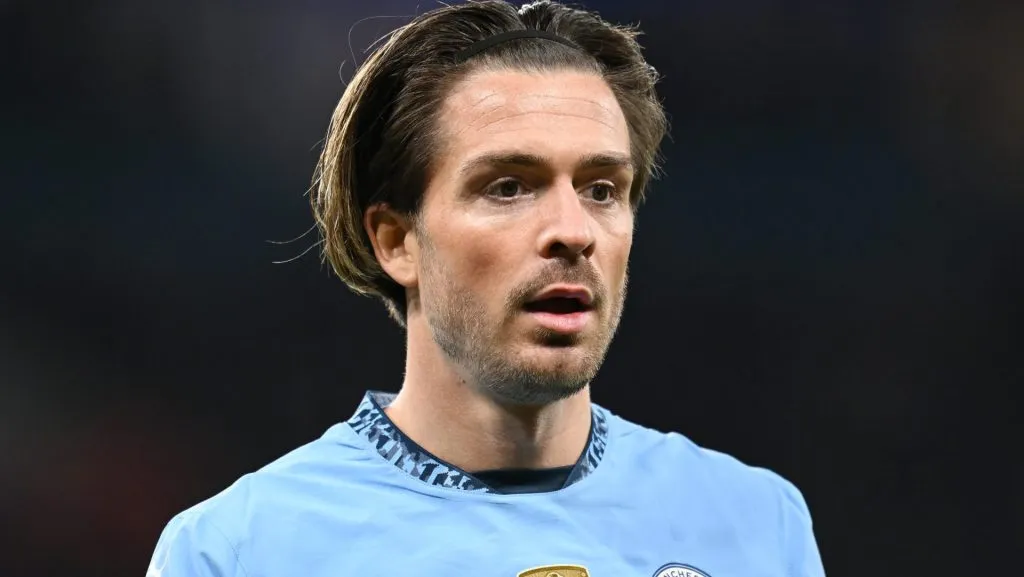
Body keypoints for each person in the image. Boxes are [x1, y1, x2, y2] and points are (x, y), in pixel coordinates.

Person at [146, 1, 826, 576]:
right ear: (396, 241)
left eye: (601, 189)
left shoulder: (757, 524)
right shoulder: (239, 551)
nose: (573, 231)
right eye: (507, 187)